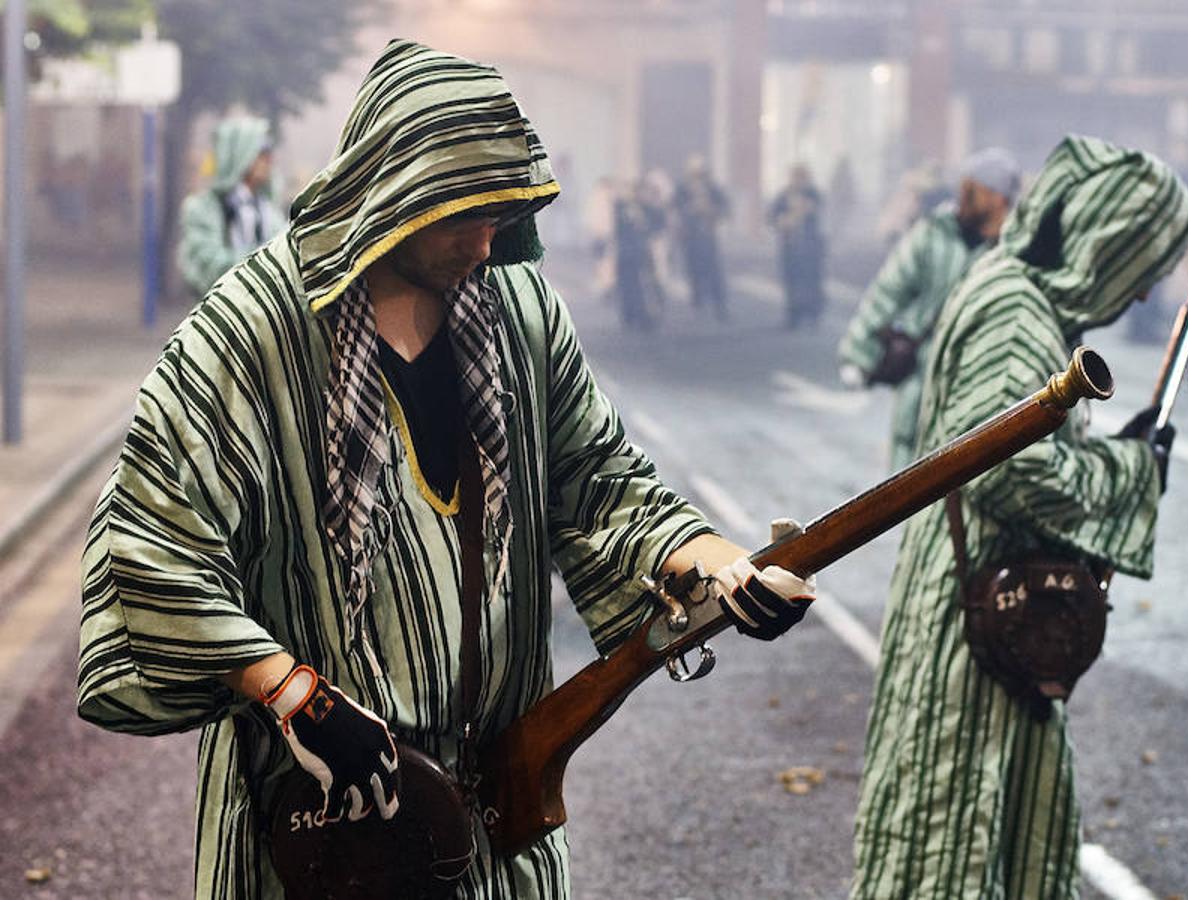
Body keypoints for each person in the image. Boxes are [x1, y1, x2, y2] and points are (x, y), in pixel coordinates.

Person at [77, 40, 816, 899]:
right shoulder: (252, 332)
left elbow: (599, 478)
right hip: (318, 832)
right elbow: (149, 543)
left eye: (501, 211)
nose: (487, 239)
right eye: (464, 214)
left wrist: (715, 565)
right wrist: (294, 695)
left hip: (492, 813)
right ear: (396, 191)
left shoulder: (521, 309)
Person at [852, 135, 1188, 899]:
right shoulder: (1017, 313)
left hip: (992, 614)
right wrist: (1133, 468)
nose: (1144, 294)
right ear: (1104, 244)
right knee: (950, 845)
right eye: (1141, 265)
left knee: (980, 833)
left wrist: (1119, 452)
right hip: (975, 619)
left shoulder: (1018, 293)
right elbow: (1007, 472)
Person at [837, 148, 1020, 470]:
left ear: (997, 197)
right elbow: (890, 290)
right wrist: (858, 353)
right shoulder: (933, 233)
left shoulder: (1014, 249)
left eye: (974, 189)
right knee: (909, 455)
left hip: (980, 376)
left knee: (970, 462)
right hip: (922, 372)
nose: (964, 196)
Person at [176, 114, 285, 299]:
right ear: (240, 153)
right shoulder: (202, 210)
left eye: (269, 151)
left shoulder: (270, 212)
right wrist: (267, 264)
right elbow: (208, 269)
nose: (269, 159)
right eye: (262, 151)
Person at [768, 164, 827, 329]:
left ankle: (813, 315)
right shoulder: (783, 195)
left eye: (801, 177)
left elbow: (816, 209)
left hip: (810, 248)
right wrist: (782, 221)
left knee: (811, 283)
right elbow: (772, 216)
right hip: (789, 246)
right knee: (791, 282)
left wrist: (801, 211)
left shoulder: (813, 194)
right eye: (795, 177)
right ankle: (793, 316)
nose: (798, 180)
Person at [672, 156, 730, 318]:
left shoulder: (712, 187)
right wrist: (689, 210)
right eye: (693, 171)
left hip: (708, 234)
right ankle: (697, 302)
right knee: (693, 269)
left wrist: (711, 210)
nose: (696, 175)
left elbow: (724, 206)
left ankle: (720, 304)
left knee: (714, 271)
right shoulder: (682, 188)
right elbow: (674, 207)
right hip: (690, 235)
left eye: (699, 171)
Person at [612, 179, 666, 330]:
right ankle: (630, 315)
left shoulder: (646, 208)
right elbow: (618, 230)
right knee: (628, 286)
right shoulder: (621, 207)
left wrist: (644, 223)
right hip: (627, 253)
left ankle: (646, 316)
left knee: (645, 286)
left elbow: (658, 223)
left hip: (642, 252)